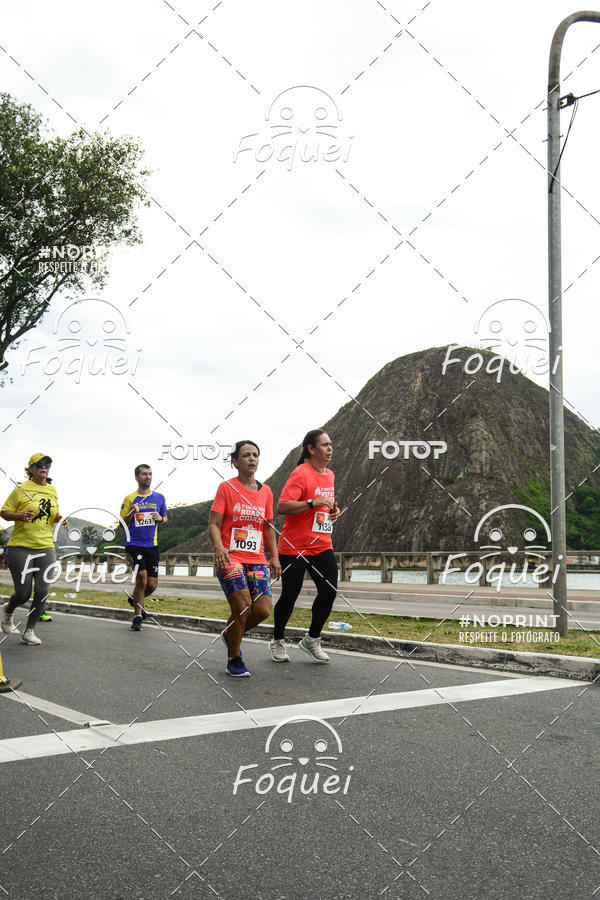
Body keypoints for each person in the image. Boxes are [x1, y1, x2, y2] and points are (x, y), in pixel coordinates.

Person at [209, 440, 281, 677]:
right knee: (242, 607)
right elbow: (214, 523)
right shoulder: (226, 488)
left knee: (262, 610)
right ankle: (234, 658)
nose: (252, 459)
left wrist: (274, 556)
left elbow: (268, 526)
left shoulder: (266, 491)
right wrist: (219, 547)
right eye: (246, 455)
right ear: (235, 461)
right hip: (230, 557)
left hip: (257, 558)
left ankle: (230, 634)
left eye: (255, 455)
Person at [269, 429, 339, 664]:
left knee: (329, 591)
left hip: (321, 544)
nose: (330, 449)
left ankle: (312, 639)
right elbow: (283, 506)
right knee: (290, 594)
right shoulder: (300, 473)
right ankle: (277, 640)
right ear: (311, 449)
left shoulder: (330, 475)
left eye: (331, 445)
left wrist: (333, 511)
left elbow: (325, 505)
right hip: (294, 546)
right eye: (325, 445)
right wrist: (312, 503)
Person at [0, 453, 67, 645]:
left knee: (42, 590)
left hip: (46, 546)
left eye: (47, 464)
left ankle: (29, 631)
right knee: (23, 594)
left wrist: (60, 518)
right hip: (20, 547)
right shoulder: (21, 489)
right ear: (31, 469)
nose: (44, 467)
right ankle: (8, 609)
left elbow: (52, 513)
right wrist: (19, 515)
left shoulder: (52, 490)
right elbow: (4, 512)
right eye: (39, 464)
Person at [120, 464, 168, 631]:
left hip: (152, 545)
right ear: (136, 477)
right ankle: (137, 617)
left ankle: (135, 600)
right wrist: (131, 513)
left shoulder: (159, 497)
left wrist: (160, 518)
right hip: (133, 544)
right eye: (144, 474)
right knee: (142, 577)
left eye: (150, 474)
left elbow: (165, 519)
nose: (147, 477)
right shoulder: (129, 498)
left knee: (152, 584)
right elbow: (121, 524)